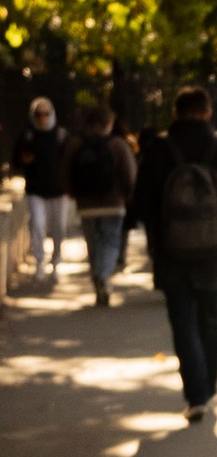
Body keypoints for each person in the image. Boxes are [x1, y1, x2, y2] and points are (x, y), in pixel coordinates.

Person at [133, 87, 217, 421]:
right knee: (209, 318)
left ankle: (196, 394)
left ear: (175, 113)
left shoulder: (157, 148)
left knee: (182, 321)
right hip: (215, 251)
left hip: (171, 250)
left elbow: (140, 202)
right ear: (208, 112)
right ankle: (208, 388)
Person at [65, 104, 134, 306]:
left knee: (93, 244)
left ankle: (98, 279)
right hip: (113, 203)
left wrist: (72, 193)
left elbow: (66, 170)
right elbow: (129, 174)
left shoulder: (75, 143)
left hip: (86, 204)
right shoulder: (117, 144)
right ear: (109, 123)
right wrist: (129, 196)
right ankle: (103, 275)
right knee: (111, 241)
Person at [11, 96, 73, 293]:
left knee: (59, 228)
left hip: (59, 190)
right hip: (36, 190)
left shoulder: (61, 135)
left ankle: (56, 261)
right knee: (37, 225)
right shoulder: (27, 136)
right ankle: (40, 261)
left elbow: (70, 160)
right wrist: (24, 161)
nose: (43, 118)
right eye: (38, 114)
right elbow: (15, 161)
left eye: (46, 114)